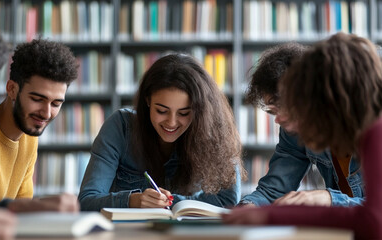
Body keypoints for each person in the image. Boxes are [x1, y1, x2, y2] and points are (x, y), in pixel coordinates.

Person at [223, 33, 382, 240]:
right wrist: (261, 212)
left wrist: (328, 199)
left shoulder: (375, 134)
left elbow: (373, 221)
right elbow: (366, 218)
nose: (280, 119)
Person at [0, 17, 78, 240]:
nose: (47, 113)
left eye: (57, 103)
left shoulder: (29, 135)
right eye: (37, 99)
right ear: (8, 88)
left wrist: (35, 209)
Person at [79, 53, 243, 211]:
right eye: (162, 111)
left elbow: (227, 201)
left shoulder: (213, 132)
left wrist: (172, 202)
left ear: (199, 111)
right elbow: (87, 201)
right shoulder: (121, 127)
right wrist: (133, 200)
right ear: (148, 100)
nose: (171, 123)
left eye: (184, 113)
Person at [240, 43, 364, 207]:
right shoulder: (293, 131)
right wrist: (249, 206)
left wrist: (330, 200)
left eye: (285, 106)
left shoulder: (371, 124)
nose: (278, 120)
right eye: (272, 111)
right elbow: (273, 191)